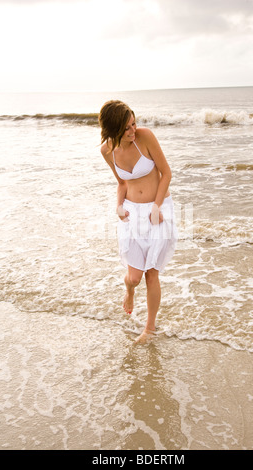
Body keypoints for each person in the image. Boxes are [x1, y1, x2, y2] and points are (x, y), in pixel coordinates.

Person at [99, 100, 177, 344]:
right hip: (132, 214)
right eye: (126, 128)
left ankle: (149, 328)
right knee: (134, 278)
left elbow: (166, 173)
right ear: (112, 130)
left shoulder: (145, 137)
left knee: (151, 275)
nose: (133, 131)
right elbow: (122, 183)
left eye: (134, 124)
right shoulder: (107, 150)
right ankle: (129, 292)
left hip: (158, 210)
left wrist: (156, 206)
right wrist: (119, 207)